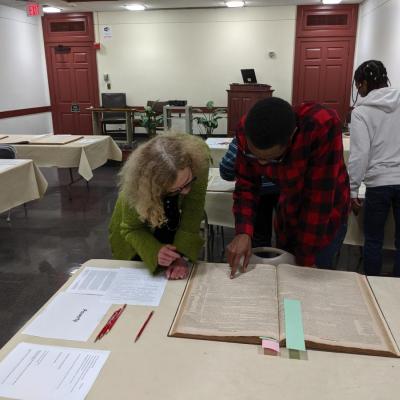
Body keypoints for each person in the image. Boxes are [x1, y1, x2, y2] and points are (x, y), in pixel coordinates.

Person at [227, 97, 350, 278]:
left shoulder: (321, 127)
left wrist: (306, 261)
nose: (261, 163)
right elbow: (246, 184)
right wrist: (244, 232)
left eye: (270, 159)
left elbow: (318, 201)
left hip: (325, 217)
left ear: (292, 137)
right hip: (289, 212)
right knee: (285, 281)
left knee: (307, 283)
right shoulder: (247, 128)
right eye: (254, 156)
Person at [109, 133, 210, 280]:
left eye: (188, 181)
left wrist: (180, 255)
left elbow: (193, 210)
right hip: (136, 229)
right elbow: (131, 228)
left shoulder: (198, 159)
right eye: (177, 189)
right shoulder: (138, 184)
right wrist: (155, 251)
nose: (187, 191)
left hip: (170, 216)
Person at [348, 60, 400, 277]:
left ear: (363, 84)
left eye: (358, 85)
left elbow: (360, 155)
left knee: (373, 240)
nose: (358, 90)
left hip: (378, 184)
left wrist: (352, 189)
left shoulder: (361, 113)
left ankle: (372, 286)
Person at [219, 137, 279, 247]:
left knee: (260, 237)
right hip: (283, 190)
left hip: (259, 193)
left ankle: (262, 260)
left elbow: (226, 168)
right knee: (288, 236)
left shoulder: (246, 133)